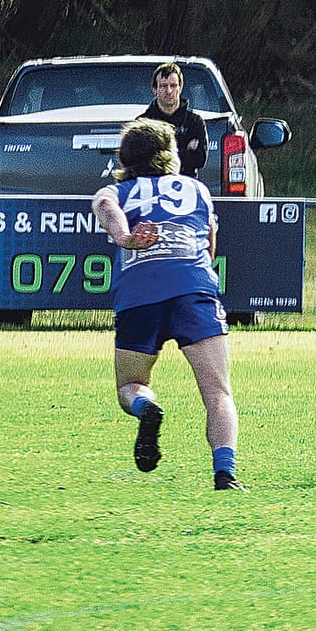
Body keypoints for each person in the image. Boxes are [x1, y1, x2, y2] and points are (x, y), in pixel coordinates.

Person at [90, 118, 244, 490]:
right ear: (168, 155)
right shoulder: (197, 189)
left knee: (130, 385)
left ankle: (146, 407)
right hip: (193, 290)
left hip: (139, 293)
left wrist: (126, 237)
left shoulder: (119, 190)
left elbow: (105, 205)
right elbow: (209, 245)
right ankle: (225, 474)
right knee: (217, 392)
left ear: (125, 157)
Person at [139, 62, 208, 180]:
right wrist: (184, 151)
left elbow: (199, 159)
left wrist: (159, 155)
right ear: (154, 89)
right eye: (163, 86)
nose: (169, 91)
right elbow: (140, 162)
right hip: (152, 186)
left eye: (173, 85)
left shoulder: (194, 122)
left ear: (180, 88)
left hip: (186, 185)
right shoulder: (143, 123)